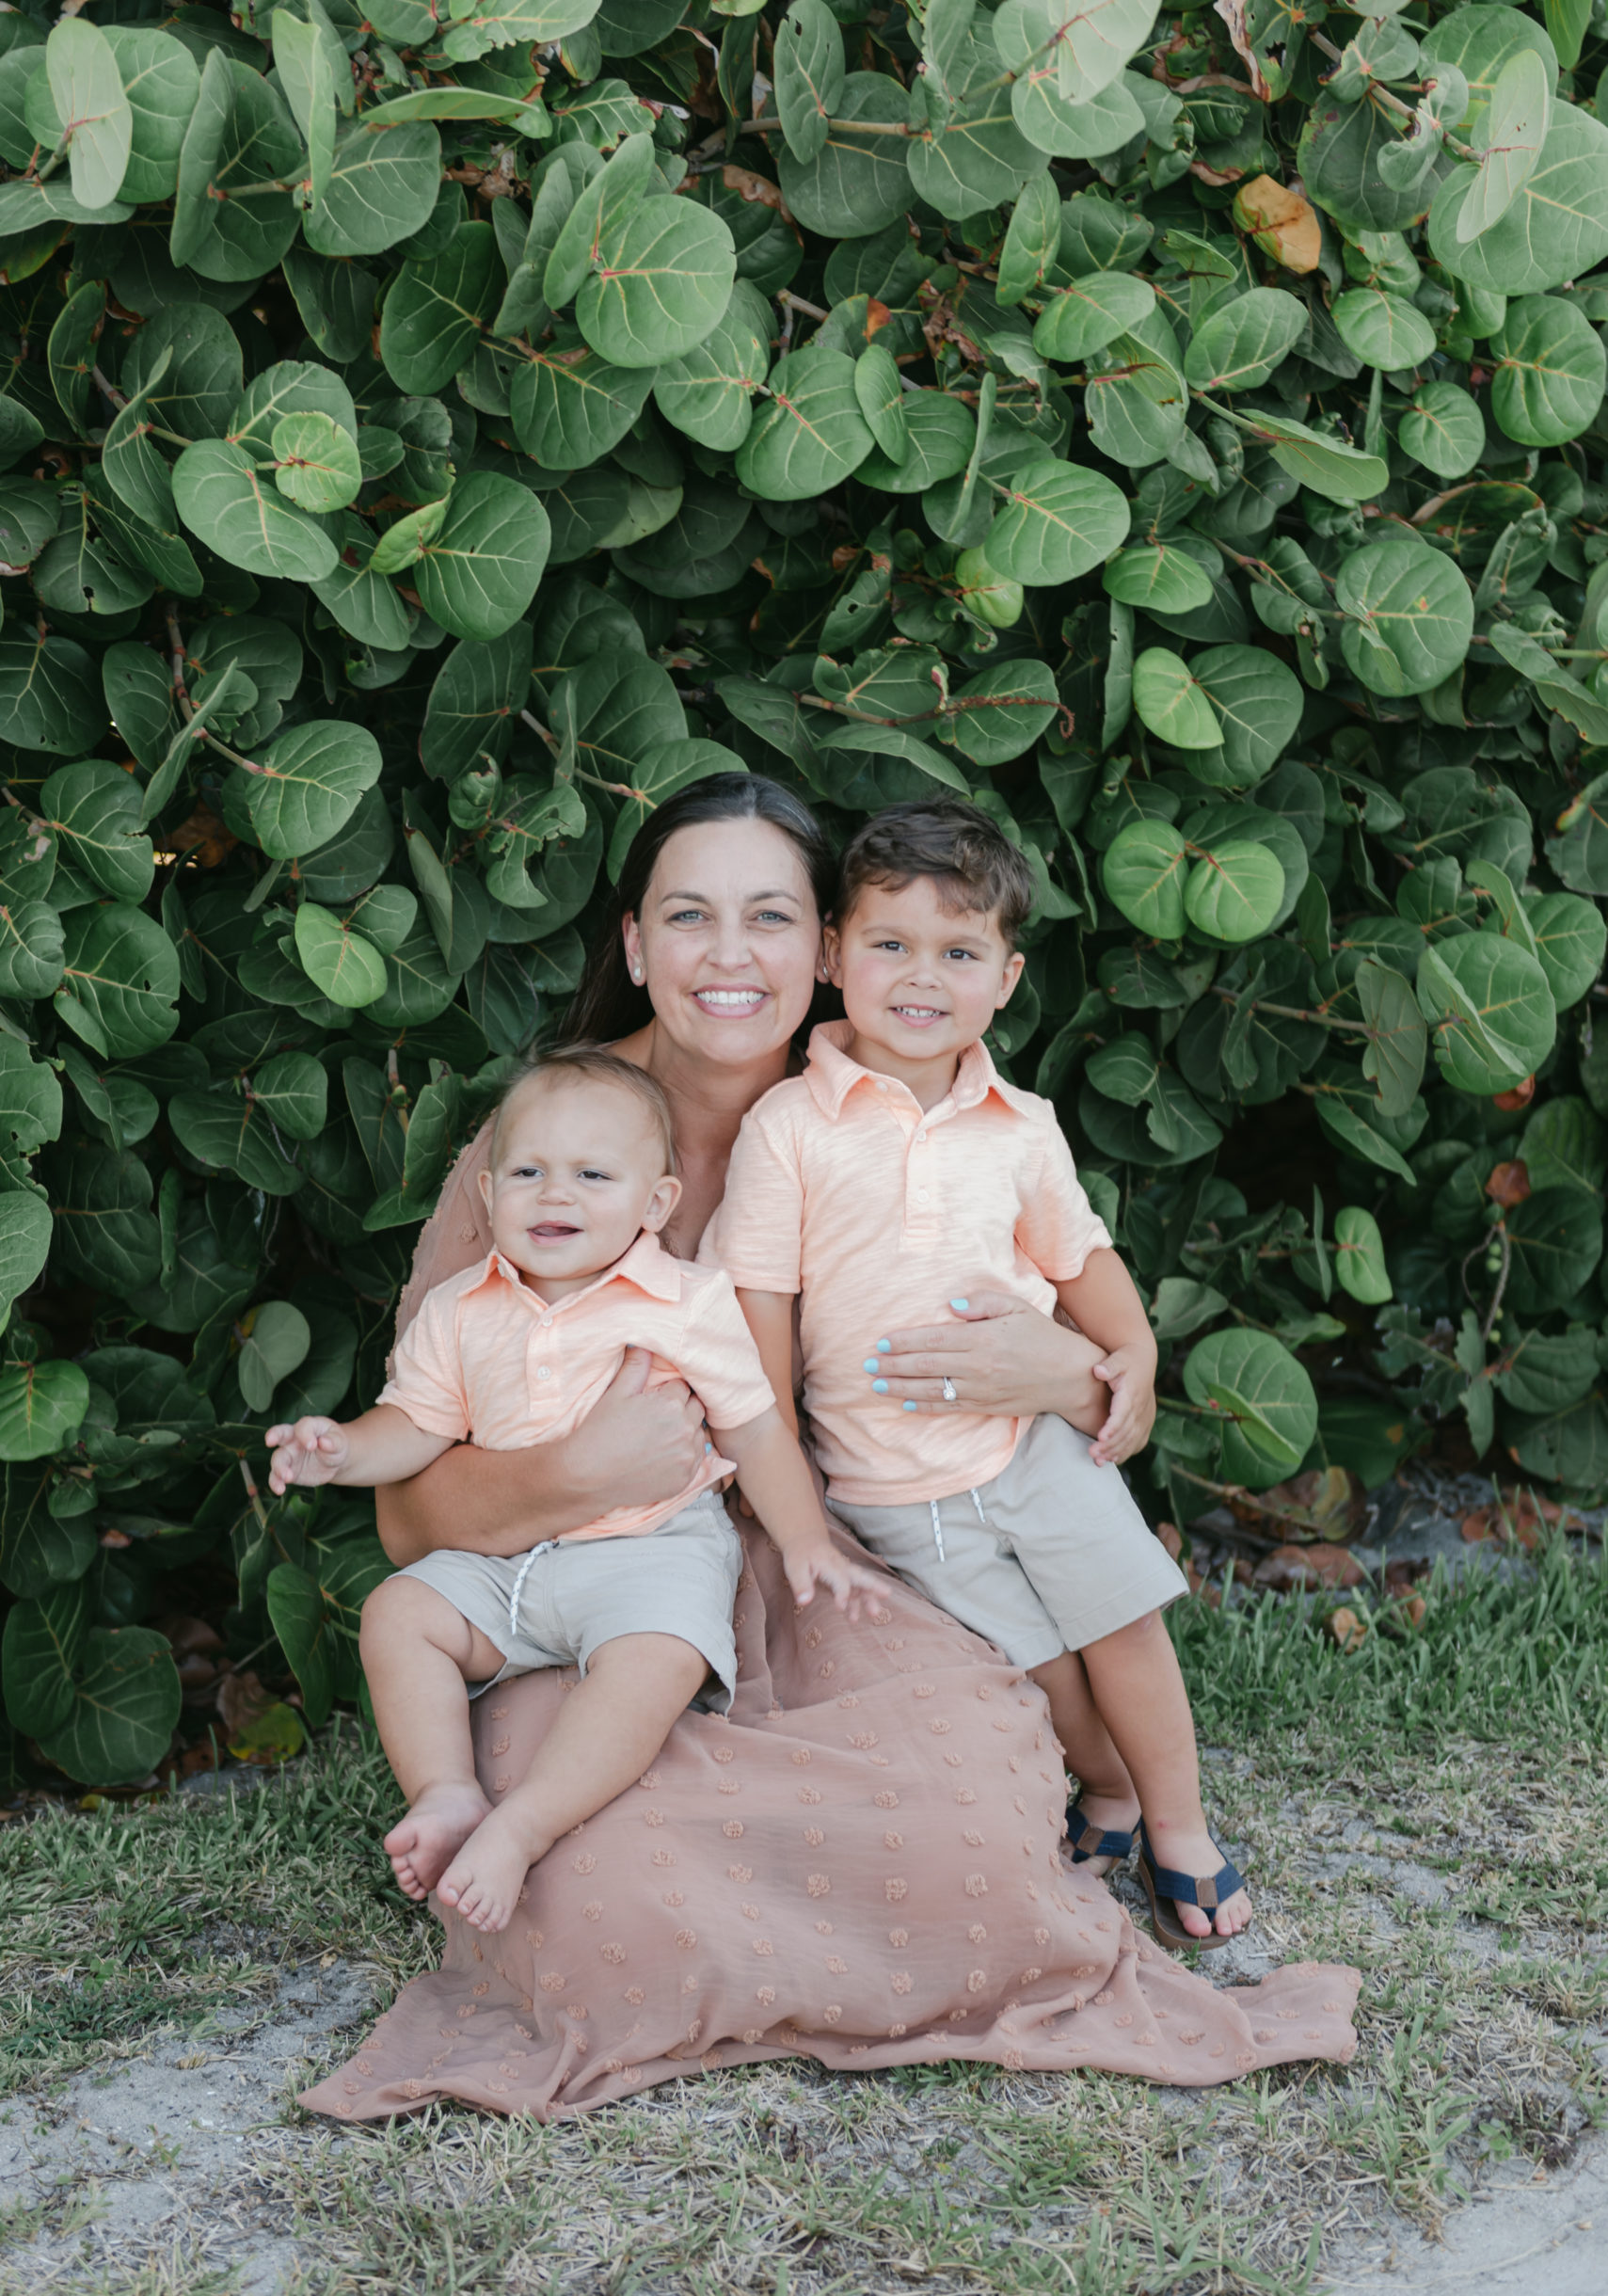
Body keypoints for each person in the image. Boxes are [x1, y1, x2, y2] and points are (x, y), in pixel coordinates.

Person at [298, 774, 1358, 2126]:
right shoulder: (550, 1146)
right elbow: (408, 1531)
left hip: (848, 1551)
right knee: (589, 1902)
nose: (730, 958)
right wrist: (579, 1472)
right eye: (690, 918)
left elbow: (1059, 1302)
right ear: (633, 944)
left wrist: (1081, 1371)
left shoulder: (898, 1114)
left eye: (770, 919)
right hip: (587, 1582)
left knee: (977, 1840)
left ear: (825, 951)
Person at [707, 801, 1250, 1950]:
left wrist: (1136, 1351)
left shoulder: (1020, 1124)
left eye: (957, 952)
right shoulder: (786, 1129)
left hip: (1034, 1447)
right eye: (889, 944)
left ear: (1003, 979)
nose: (920, 976)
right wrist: (793, 1504)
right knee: (1041, 1667)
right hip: (889, 1484)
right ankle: (1103, 1790)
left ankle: (1181, 1823)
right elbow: (759, 1313)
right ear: (830, 958)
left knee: (1121, 1626)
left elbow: (1078, 1258)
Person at [267, 1047, 882, 1935]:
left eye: (592, 1175)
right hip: (507, 1562)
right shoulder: (459, 1311)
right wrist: (340, 1451)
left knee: (659, 1656)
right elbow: (416, 1426)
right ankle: (444, 1792)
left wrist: (806, 1540)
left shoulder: (683, 1302)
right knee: (397, 1613)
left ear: (655, 1203)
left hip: (648, 1547)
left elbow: (752, 1428)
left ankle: (523, 1825)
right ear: (488, 1197)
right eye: (528, 1173)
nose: (556, 1195)